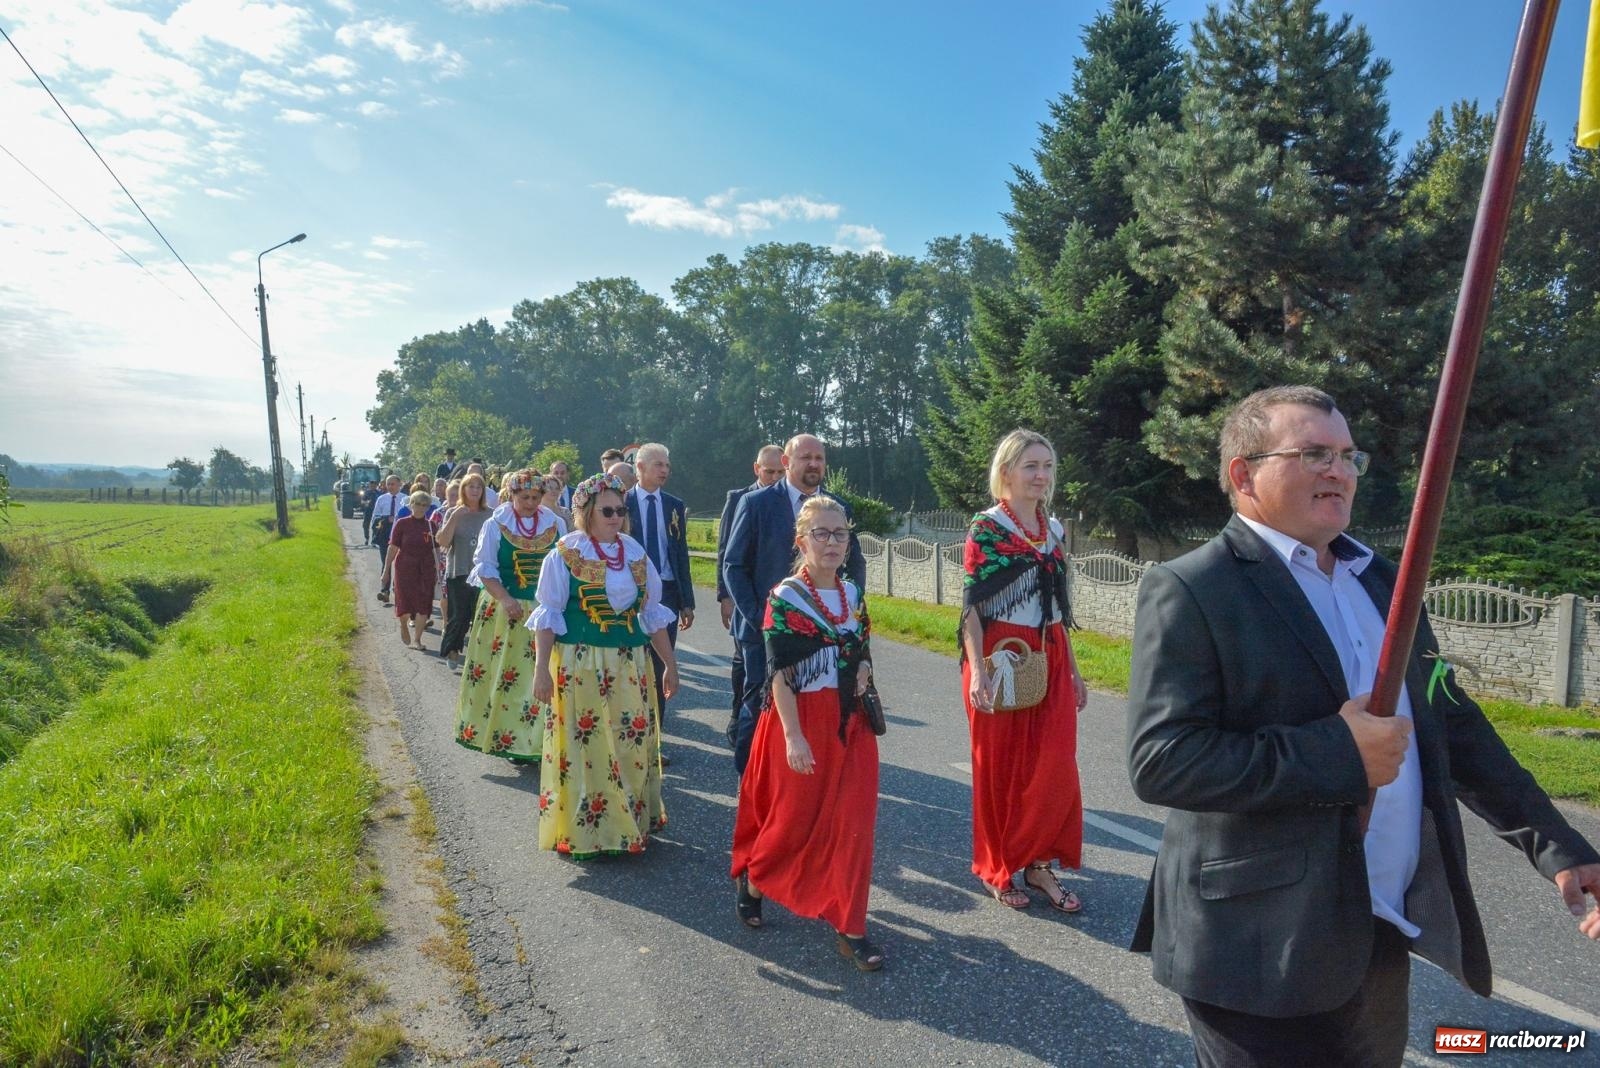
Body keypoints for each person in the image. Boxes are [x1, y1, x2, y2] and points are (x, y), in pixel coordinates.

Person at [1126, 385, 1600, 1067]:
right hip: (1254, 944)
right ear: (1243, 473)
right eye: (1313, 453)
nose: (1339, 471)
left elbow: (1451, 723)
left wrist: (1556, 844)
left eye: (1349, 456)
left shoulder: (1383, 579)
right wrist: (1336, 752)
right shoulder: (1194, 586)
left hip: (1374, 923)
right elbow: (1163, 759)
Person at [730, 496, 883, 971]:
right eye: (821, 533)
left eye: (840, 534)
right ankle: (756, 879)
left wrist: (861, 671)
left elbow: (860, 649)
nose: (833, 543)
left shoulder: (852, 593)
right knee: (793, 821)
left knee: (854, 825)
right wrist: (793, 737)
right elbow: (780, 672)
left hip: (848, 721)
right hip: (799, 720)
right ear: (801, 541)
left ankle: (851, 926)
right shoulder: (786, 597)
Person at [959, 429, 1087, 912]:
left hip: (1049, 651)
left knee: (1053, 765)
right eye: (1031, 465)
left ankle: (1037, 863)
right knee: (998, 766)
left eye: (1048, 466)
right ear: (1006, 471)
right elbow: (971, 607)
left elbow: (1058, 607)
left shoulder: (1052, 530)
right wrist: (977, 670)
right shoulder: (987, 529)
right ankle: (998, 865)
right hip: (999, 653)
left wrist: (1072, 670)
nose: (1041, 475)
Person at [528, 473, 678, 858]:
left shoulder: (635, 553)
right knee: (587, 746)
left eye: (620, 510)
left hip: (630, 664)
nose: (616, 517)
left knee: (631, 745)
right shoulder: (565, 552)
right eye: (607, 510)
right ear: (587, 512)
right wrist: (541, 669)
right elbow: (548, 616)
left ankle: (628, 822)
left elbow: (652, 616)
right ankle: (591, 830)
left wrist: (669, 665)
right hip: (582, 664)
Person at [722, 434, 866, 774]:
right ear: (787, 462)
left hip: (824, 635)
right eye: (806, 457)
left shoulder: (837, 507)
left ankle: (802, 784)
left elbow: (855, 562)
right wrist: (760, 617)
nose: (814, 464)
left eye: (819, 458)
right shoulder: (756, 503)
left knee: (815, 711)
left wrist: (850, 604)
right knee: (759, 708)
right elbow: (734, 565)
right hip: (762, 631)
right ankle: (752, 785)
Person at [453, 470, 566, 764]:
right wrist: (505, 598)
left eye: (536, 497)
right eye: (524, 497)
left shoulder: (555, 524)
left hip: (545, 611)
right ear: (511, 495)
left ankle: (543, 741)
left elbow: (566, 566)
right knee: (510, 677)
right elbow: (485, 567)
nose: (530, 503)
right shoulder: (496, 524)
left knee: (544, 675)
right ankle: (510, 737)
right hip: (507, 610)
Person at [627, 443, 695, 762]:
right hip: (629, 594)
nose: (665, 470)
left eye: (667, 464)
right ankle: (626, 737)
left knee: (661, 666)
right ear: (639, 467)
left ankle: (654, 741)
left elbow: (680, 554)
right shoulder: (621, 504)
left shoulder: (674, 505)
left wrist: (687, 602)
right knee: (629, 664)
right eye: (658, 464)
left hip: (666, 592)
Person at [717, 444, 786, 742]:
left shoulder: (785, 501)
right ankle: (738, 716)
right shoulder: (739, 499)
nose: (774, 477)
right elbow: (727, 553)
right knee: (743, 664)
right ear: (756, 469)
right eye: (768, 471)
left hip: (776, 601)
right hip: (746, 598)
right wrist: (726, 597)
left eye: (779, 472)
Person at [437, 473, 494, 668]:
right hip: (459, 569)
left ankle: (480, 654)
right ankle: (452, 649)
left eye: (479, 487)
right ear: (464, 489)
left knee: (479, 615)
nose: (475, 490)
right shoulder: (453, 512)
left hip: (482, 573)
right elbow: (443, 542)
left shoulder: (490, 514)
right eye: (471, 486)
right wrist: (454, 517)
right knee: (459, 615)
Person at [380, 489, 437, 650]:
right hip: (405, 567)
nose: (420, 508)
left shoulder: (431, 526)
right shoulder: (402, 523)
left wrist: (438, 568)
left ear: (428, 507)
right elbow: (393, 547)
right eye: (417, 504)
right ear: (411, 504)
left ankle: (418, 640)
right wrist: (386, 571)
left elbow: (436, 549)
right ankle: (404, 624)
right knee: (404, 600)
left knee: (424, 603)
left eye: (424, 505)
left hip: (426, 569)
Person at [371, 474, 405, 601]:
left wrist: (396, 519)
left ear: (399, 484)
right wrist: (385, 519)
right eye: (388, 484)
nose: (390, 486)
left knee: (400, 563)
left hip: (401, 534)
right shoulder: (381, 499)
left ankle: (398, 589)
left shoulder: (405, 499)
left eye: (393, 484)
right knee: (386, 561)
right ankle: (384, 590)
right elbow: (375, 517)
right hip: (385, 533)